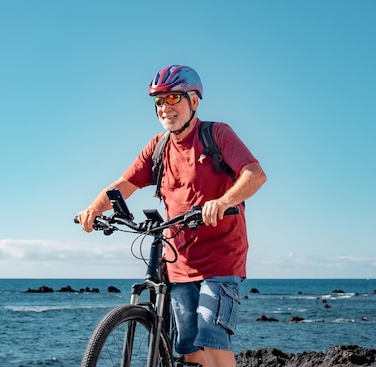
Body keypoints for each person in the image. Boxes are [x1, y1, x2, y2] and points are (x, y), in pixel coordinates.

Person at [77, 65, 267, 367]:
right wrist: (94, 208)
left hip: (220, 258)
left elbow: (254, 174)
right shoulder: (159, 146)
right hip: (178, 262)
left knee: (211, 335)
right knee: (188, 346)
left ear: (194, 100)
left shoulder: (216, 134)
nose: (166, 107)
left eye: (174, 98)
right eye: (159, 101)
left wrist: (222, 201)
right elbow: (124, 185)